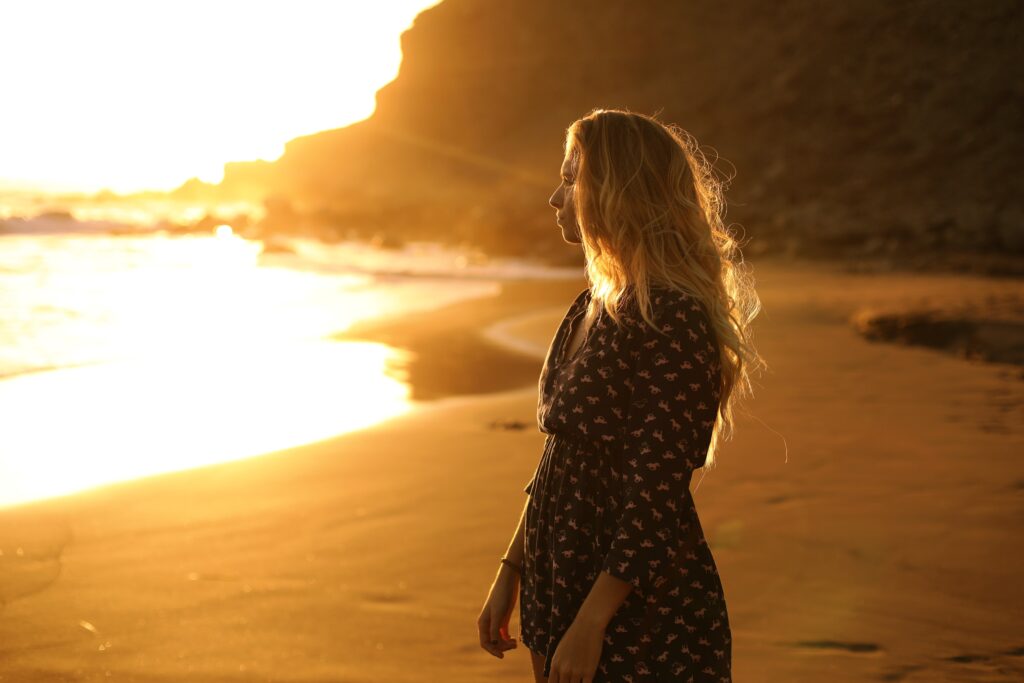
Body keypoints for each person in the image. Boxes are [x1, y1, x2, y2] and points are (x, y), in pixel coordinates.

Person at [477, 108, 763, 682]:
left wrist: (593, 622)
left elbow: (657, 489)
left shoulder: (671, 317)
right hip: (560, 574)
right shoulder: (591, 306)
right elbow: (558, 458)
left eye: (569, 179)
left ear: (615, 190)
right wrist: (512, 568)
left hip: (637, 604)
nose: (555, 198)